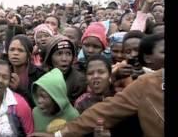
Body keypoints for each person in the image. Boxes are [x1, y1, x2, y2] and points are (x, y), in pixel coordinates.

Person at [29, 33, 164, 137]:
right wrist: (58, 135)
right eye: (91, 73)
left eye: (101, 72)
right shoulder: (147, 84)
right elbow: (104, 111)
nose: (96, 77)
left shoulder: (124, 87)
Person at [32, 68, 79, 133]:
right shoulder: (35, 113)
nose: (39, 101)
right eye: (37, 96)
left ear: (56, 97)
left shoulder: (72, 115)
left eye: (43, 96)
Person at [43, 35, 86, 105]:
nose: (64, 59)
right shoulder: (41, 75)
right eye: (59, 54)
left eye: (68, 54)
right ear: (49, 57)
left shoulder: (79, 81)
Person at [7, 35, 45, 107]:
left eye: (20, 50)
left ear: (29, 55)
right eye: (12, 49)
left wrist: (20, 89)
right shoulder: (4, 73)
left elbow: (40, 105)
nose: (15, 53)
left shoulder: (40, 75)